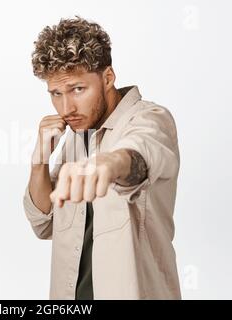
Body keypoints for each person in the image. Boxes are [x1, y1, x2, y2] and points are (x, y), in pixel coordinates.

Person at [23, 15, 181, 299]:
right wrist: (39, 161)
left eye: (77, 89)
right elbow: (43, 225)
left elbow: (141, 152)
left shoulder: (149, 118)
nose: (66, 107)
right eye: (56, 93)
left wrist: (109, 163)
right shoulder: (76, 134)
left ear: (108, 78)